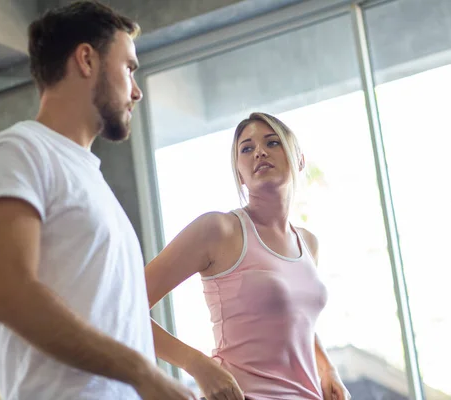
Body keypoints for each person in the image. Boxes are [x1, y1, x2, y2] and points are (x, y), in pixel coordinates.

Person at [0, 2, 196, 399]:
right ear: (86, 59)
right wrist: (143, 373)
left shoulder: (92, 182)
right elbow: (8, 293)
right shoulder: (19, 151)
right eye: (128, 68)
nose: (137, 91)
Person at [145, 112, 352, 400]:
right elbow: (126, 305)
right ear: (239, 173)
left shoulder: (308, 243)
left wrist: (328, 370)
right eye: (247, 148)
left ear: (299, 159)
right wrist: (196, 364)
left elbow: (295, 321)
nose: (260, 152)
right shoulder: (218, 230)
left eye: (272, 142)